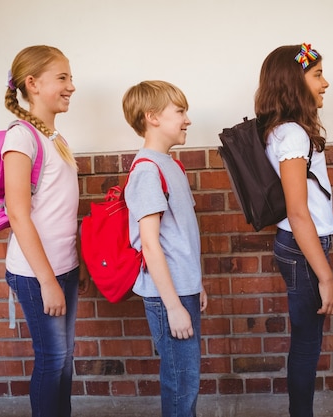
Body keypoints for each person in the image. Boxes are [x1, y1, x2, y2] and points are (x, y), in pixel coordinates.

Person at [255, 43, 333, 417]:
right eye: (317, 74)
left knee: (305, 339)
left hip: (298, 245)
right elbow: (298, 211)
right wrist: (326, 277)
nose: (325, 83)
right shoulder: (293, 134)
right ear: (295, 80)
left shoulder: (281, 130)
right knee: (307, 343)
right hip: (304, 246)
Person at [3, 45, 89, 417]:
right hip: (38, 274)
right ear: (33, 83)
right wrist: (48, 281)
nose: (72, 86)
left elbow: (59, 210)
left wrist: (75, 263)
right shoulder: (21, 138)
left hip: (63, 268)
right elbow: (18, 215)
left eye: (70, 77)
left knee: (64, 361)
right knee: (52, 361)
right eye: (63, 78)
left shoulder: (56, 138)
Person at [122, 80, 208, 417]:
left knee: (186, 380)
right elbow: (150, 243)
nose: (187, 120)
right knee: (180, 382)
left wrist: (195, 284)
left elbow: (181, 237)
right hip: (166, 296)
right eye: (180, 111)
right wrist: (173, 306)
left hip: (181, 290)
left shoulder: (171, 164)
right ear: (152, 117)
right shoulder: (147, 170)